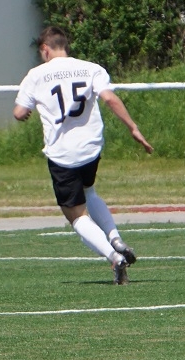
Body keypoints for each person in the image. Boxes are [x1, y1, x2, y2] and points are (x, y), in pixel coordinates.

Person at [13, 26, 154, 285]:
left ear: (45, 49)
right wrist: (133, 128)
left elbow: (19, 112)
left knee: (76, 214)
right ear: (64, 45)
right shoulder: (91, 68)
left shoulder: (36, 75)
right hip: (91, 148)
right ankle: (115, 238)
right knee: (89, 191)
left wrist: (24, 113)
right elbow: (109, 99)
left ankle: (114, 257)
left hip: (62, 154)